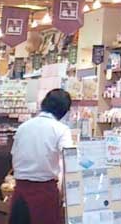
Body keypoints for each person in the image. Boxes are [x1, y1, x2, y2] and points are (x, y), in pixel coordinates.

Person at [9, 89, 73, 224]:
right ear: (64, 111)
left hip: (20, 192)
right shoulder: (61, 130)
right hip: (45, 193)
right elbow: (70, 161)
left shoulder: (23, 127)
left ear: (44, 103)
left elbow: (14, 156)